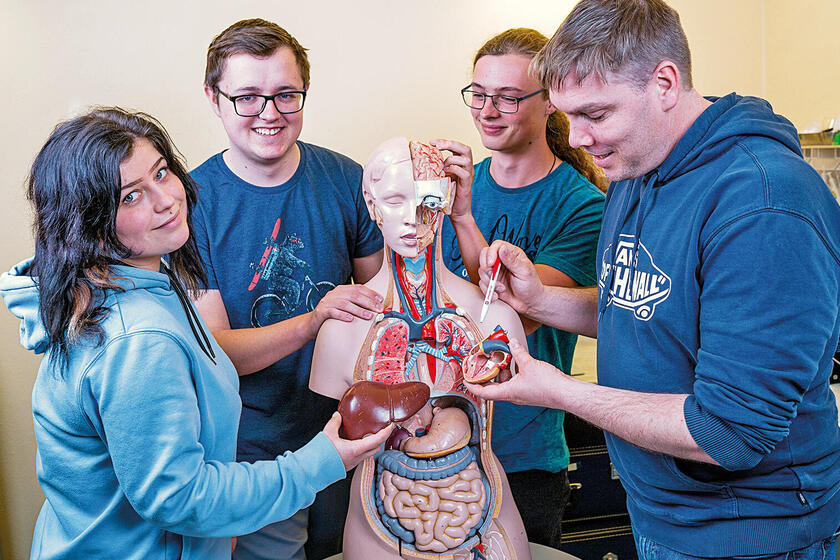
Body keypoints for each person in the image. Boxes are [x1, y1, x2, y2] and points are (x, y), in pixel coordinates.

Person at [466, 1, 840, 559]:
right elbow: (639, 307)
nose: (579, 137)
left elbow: (729, 432)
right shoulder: (636, 166)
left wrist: (557, 390)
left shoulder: (764, 201)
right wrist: (541, 301)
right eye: (569, 116)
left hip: (749, 534)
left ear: (664, 83)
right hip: (663, 515)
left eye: (596, 114)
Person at [0, 108, 392, 560]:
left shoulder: (141, 286)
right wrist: (322, 460)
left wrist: (219, 525)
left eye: (161, 173)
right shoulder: (138, 340)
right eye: (131, 196)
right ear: (89, 224)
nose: (166, 199)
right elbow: (180, 498)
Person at [190, 19, 384, 560]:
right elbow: (219, 352)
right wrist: (314, 320)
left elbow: (386, 304)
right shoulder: (190, 204)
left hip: (350, 433)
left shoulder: (346, 179)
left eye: (285, 95)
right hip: (254, 455)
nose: (269, 113)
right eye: (247, 97)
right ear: (213, 98)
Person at [309, 137, 530, 559]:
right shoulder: (341, 329)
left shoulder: (493, 317)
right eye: (395, 201)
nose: (413, 219)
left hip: (483, 512)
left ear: (446, 201)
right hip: (378, 519)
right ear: (372, 206)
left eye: (428, 202)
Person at [434, 28, 606, 548]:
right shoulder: (451, 190)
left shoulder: (582, 206)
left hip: (523, 456)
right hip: (438, 445)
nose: (488, 111)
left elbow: (515, 319)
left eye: (507, 97)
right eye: (479, 94)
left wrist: (464, 219)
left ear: (550, 100)